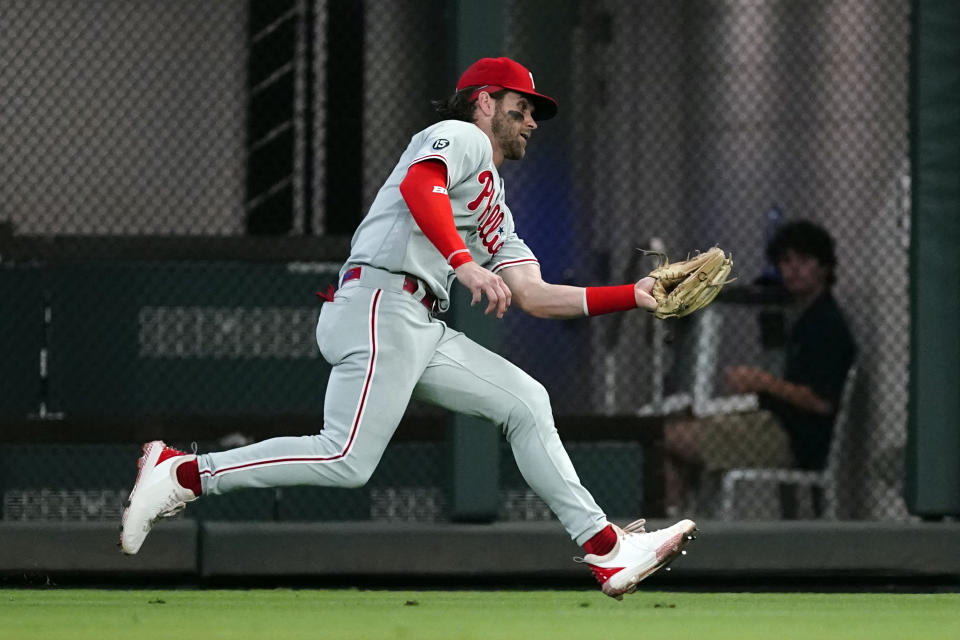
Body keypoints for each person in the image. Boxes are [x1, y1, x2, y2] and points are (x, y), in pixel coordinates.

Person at [120, 57, 695, 599]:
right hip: (380, 300)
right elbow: (423, 187)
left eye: (534, 115)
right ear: (485, 101)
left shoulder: (495, 198)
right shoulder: (460, 135)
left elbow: (535, 296)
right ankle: (185, 472)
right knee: (344, 458)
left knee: (526, 402)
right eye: (520, 108)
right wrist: (464, 263)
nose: (530, 123)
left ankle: (605, 549)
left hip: (415, 320)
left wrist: (635, 296)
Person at [663, 220, 857, 514]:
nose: (792, 270)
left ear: (825, 267)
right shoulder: (806, 318)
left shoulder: (826, 326)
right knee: (680, 425)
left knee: (670, 438)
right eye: (785, 262)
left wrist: (761, 382)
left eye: (803, 261)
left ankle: (674, 521)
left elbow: (820, 402)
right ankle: (682, 519)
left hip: (793, 439)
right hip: (779, 426)